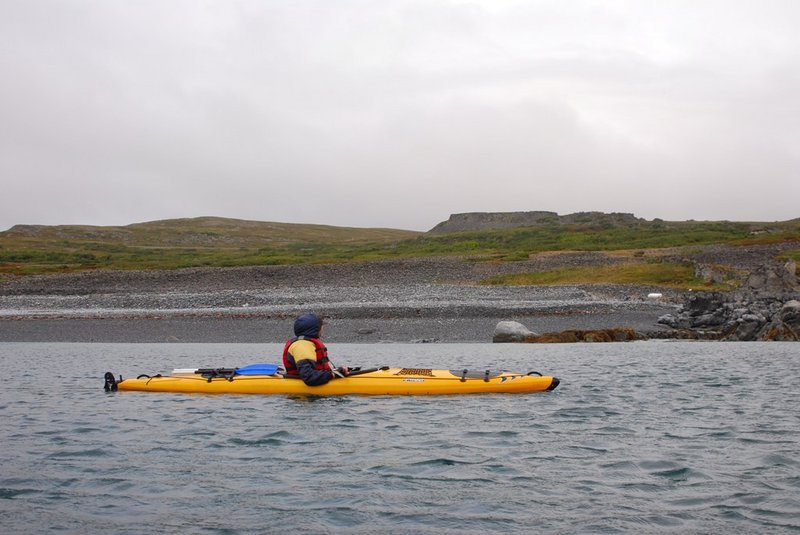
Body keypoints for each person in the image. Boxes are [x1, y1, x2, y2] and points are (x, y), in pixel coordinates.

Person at [282, 313, 349, 386]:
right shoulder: (302, 345)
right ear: (314, 329)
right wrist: (332, 375)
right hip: (307, 382)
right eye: (321, 326)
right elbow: (309, 377)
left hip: (317, 378)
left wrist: (338, 371)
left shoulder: (307, 343)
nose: (322, 329)